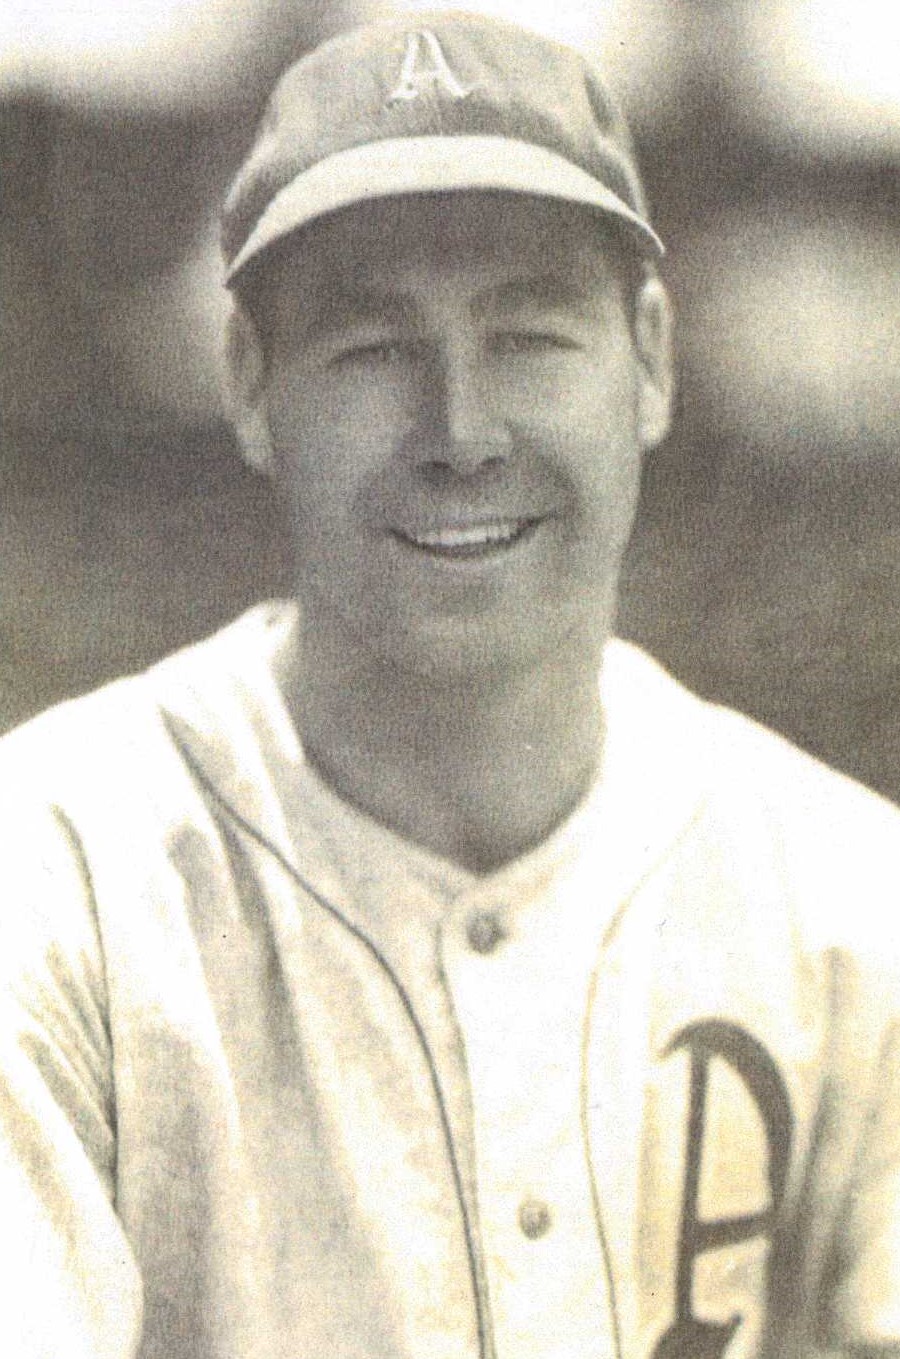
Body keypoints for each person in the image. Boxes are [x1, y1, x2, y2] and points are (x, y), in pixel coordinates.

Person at [2, 11, 900, 1359]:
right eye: (371, 348)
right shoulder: (53, 882)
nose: (462, 431)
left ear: (652, 359)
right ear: (252, 381)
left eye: (532, 336)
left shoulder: (849, 905)